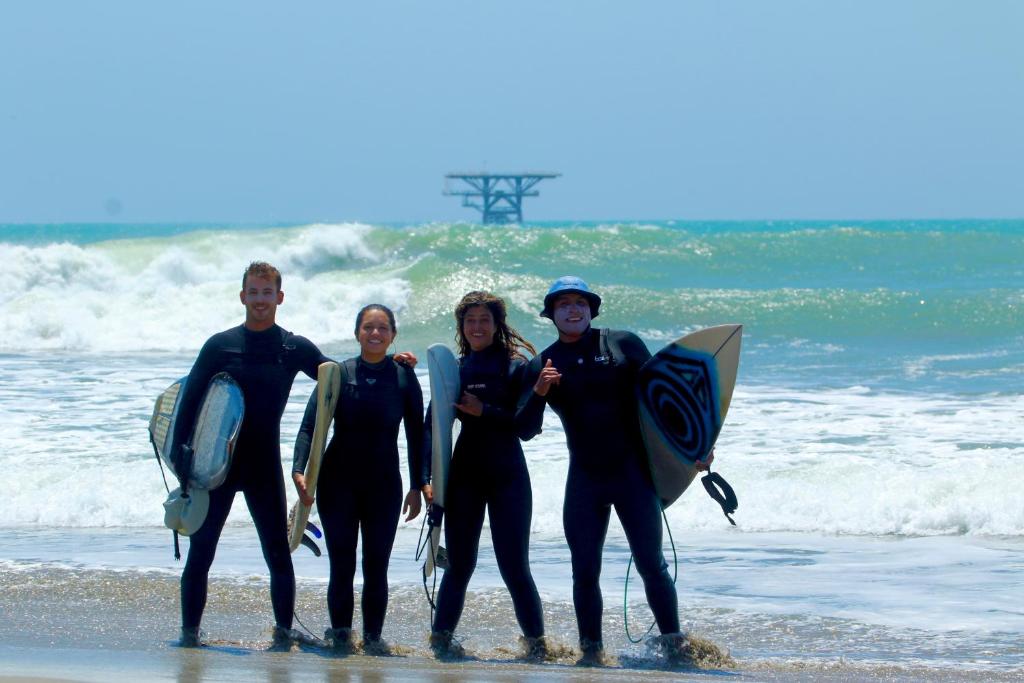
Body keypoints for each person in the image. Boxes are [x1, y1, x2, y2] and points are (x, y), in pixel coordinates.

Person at [517, 276, 706, 665]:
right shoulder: (544, 364)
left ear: (591, 309)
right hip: (585, 480)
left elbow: (664, 398)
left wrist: (696, 447)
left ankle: (675, 646)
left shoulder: (623, 343)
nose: (573, 310)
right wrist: (539, 391)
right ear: (551, 314)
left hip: (633, 475)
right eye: (564, 304)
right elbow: (524, 430)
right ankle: (591, 654)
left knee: (651, 563)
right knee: (584, 570)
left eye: (580, 303)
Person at [173, 261, 327, 649]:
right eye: (253, 292)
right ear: (243, 297)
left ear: (280, 297)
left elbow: (338, 378)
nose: (260, 300)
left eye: (267, 292)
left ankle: (283, 631)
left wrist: (389, 361)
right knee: (202, 550)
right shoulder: (219, 345)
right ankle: (189, 634)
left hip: (262, 465)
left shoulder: (293, 347)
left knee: (277, 551)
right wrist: (184, 467)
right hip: (215, 467)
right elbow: (188, 405)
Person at [292, 304, 426, 654]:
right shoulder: (338, 373)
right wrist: (299, 470)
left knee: (377, 566)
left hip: (383, 484)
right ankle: (339, 636)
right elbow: (311, 426)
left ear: (393, 335)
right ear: (357, 333)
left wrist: (417, 485)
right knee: (342, 564)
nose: (375, 334)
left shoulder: (403, 376)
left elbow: (417, 434)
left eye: (383, 328)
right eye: (368, 327)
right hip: (337, 483)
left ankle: (373, 638)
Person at [423, 291, 546, 660]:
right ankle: (441, 643)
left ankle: (537, 646)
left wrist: (484, 411)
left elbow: (526, 427)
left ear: (497, 325)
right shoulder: (454, 370)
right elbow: (433, 427)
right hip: (465, 477)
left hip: (508, 475)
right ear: (462, 326)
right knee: (459, 566)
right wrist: (429, 478)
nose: (477, 326)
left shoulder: (516, 369)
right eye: (470, 320)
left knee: (514, 567)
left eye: (484, 320)